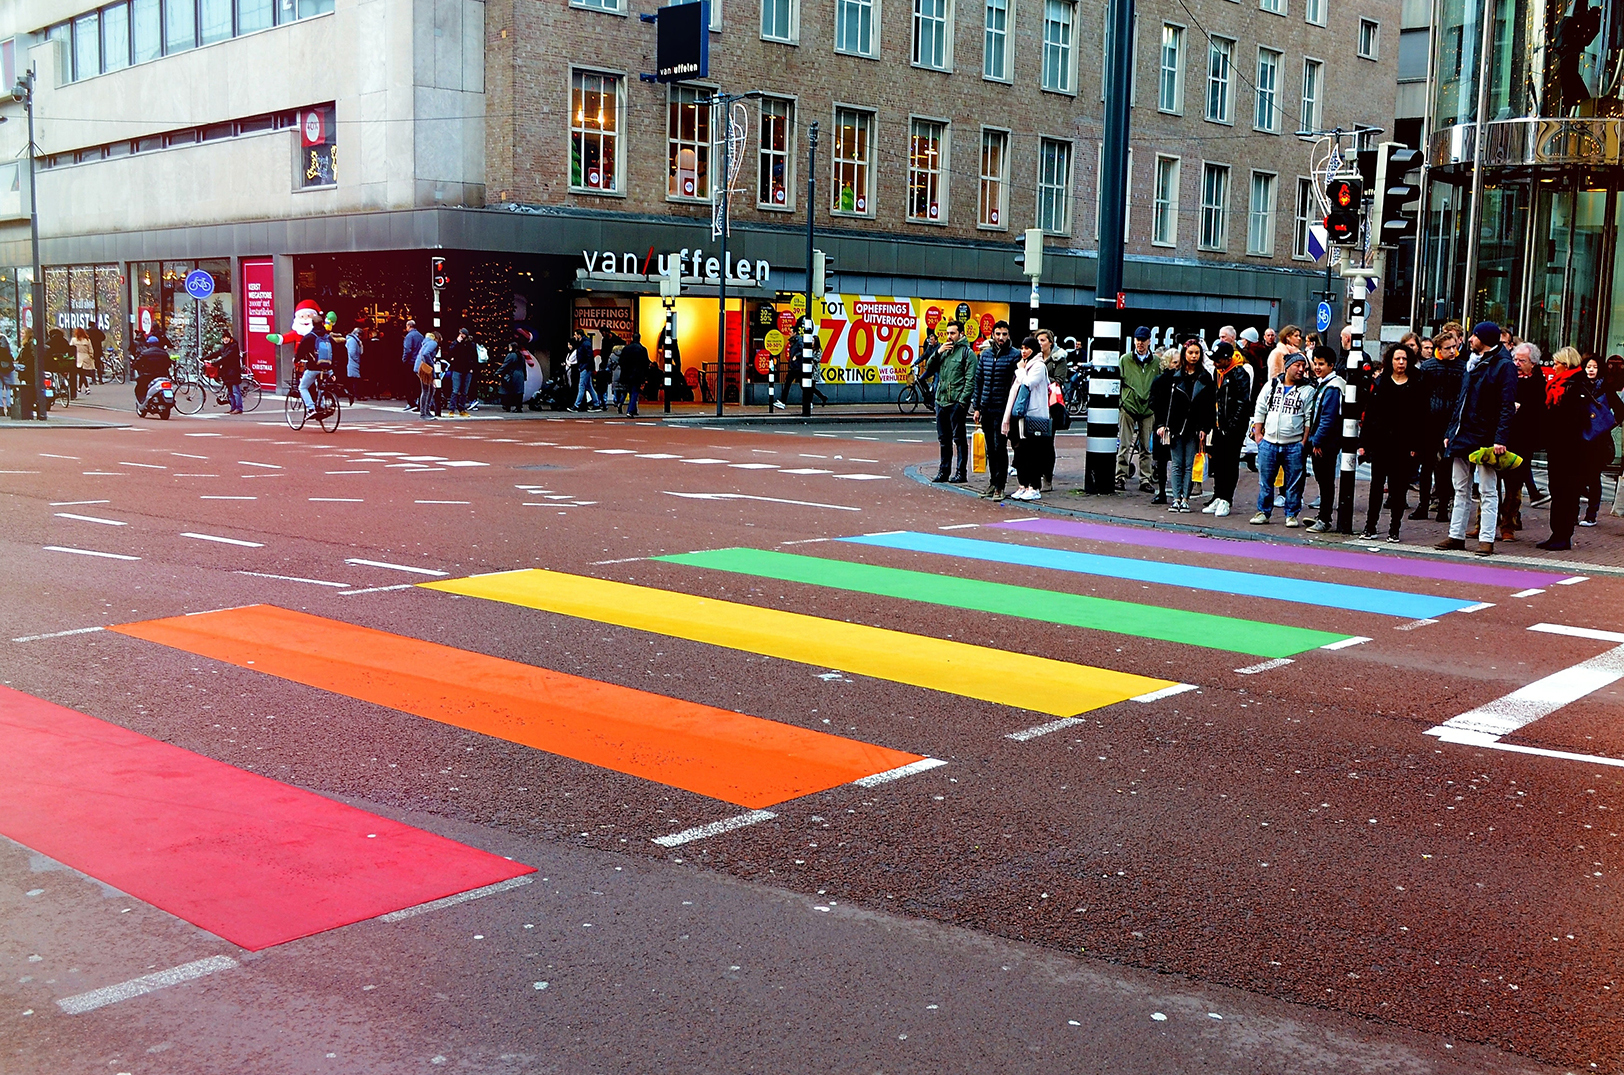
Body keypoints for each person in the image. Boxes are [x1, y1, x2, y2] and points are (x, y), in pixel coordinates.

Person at [1437, 321, 1517, 556]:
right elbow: (1461, 402)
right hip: (1464, 433)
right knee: (1460, 487)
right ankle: (1456, 535)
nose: (1470, 339)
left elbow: (1506, 405)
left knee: (1487, 489)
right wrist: (1450, 432)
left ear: (1485, 339)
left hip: (1485, 435)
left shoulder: (1503, 366)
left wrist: (1500, 438)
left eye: (1475, 336)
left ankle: (1486, 538)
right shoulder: (1473, 363)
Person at [1358, 343, 1427, 541]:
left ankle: (1394, 529)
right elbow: (1370, 414)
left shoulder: (1416, 383)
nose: (1401, 362)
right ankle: (1370, 526)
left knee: (1398, 489)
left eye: (1404, 359)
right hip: (1381, 443)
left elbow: (1421, 417)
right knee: (1376, 486)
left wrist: (1416, 446)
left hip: (1404, 444)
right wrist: (1364, 443)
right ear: (1391, 360)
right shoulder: (1381, 383)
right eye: (1397, 359)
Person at [1249, 351, 1316, 527]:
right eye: (1297, 366)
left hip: (1293, 443)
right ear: (1287, 367)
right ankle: (1263, 511)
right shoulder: (1272, 385)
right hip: (1269, 442)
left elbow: (1309, 417)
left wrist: (1303, 442)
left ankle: (1291, 514)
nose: (1301, 370)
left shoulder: (1308, 391)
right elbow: (1260, 408)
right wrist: (1258, 435)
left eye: (1304, 367)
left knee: (1293, 482)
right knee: (1266, 481)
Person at [1154, 339, 1216, 513]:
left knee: (1189, 463)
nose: (1194, 356)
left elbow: (1209, 406)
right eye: (1190, 353)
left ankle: (1186, 499)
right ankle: (1176, 498)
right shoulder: (1175, 377)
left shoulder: (1205, 377)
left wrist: (1205, 427)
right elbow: (1165, 404)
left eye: (1197, 353)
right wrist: (1162, 425)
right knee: (1176, 463)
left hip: (1194, 427)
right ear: (1184, 354)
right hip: (1175, 426)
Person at [1414, 328, 1466, 521]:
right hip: (1430, 421)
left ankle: (1443, 507)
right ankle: (1423, 505)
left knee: (1446, 467)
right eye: (1447, 348)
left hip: (1451, 422)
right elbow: (1421, 396)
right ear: (1439, 349)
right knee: (1427, 466)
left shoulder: (1462, 367)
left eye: (1454, 347)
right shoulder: (1428, 367)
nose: (1452, 351)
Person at [1497, 342, 1547, 541]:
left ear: (1533, 363)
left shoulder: (1538, 383)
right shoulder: (1506, 377)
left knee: (1513, 485)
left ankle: (1508, 524)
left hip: (1522, 439)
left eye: (1522, 360)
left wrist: (1521, 408)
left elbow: (1539, 413)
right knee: (1490, 483)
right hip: (1501, 437)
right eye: (1515, 359)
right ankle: (1482, 523)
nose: (1516, 363)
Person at [970, 320, 1019, 500]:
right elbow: (979, 380)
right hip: (986, 407)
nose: (1001, 338)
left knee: (1000, 447)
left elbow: (1017, 382)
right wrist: (977, 407)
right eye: (998, 334)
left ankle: (1000, 486)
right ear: (992, 335)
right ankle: (992, 482)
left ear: (1008, 335)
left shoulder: (1014, 356)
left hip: (1003, 409)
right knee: (990, 447)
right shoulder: (986, 355)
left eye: (1004, 334)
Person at [1204, 340, 1252, 518]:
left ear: (1227, 359)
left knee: (1230, 462)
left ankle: (1226, 499)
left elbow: (1243, 402)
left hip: (1232, 428)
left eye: (1218, 360)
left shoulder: (1239, 374)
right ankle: (1218, 495)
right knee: (1218, 461)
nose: (1215, 363)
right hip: (1218, 425)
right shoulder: (1218, 373)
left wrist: (1231, 425)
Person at [1001, 336, 1053, 501]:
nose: (1024, 351)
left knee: (1033, 453)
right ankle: (1023, 485)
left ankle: (1034, 487)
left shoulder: (1038, 366)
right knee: (1021, 452)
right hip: (1021, 416)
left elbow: (1028, 383)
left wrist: (1020, 370)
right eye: (1022, 348)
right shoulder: (1025, 365)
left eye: (1027, 348)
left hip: (1034, 416)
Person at [1578, 353, 1623, 526]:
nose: (1591, 370)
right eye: (1588, 366)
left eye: (1595, 367)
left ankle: (1591, 514)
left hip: (1598, 440)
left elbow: (1620, 409)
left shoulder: (1605, 388)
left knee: (1594, 476)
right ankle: (1574, 512)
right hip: (1581, 437)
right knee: (1578, 476)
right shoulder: (1579, 385)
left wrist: (1608, 424)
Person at [1303, 350, 1346, 532]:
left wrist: (1317, 442)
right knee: (1323, 481)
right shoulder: (1325, 384)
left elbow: (1328, 418)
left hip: (1326, 443)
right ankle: (1322, 515)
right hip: (1322, 441)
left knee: (1326, 481)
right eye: (1315, 363)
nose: (1317, 367)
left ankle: (1325, 519)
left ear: (1331, 365)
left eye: (1321, 364)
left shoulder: (1333, 387)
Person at [930, 320, 975, 484]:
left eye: (953, 333)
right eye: (947, 333)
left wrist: (962, 402)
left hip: (955, 402)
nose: (949, 336)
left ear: (961, 334)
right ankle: (944, 471)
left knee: (959, 439)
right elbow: (929, 367)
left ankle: (961, 473)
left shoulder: (967, 353)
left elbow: (970, 380)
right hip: (941, 401)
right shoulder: (944, 350)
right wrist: (937, 352)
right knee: (944, 439)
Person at [1116, 326, 1159, 491]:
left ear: (1149, 341)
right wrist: (1121, 401)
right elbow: (1119, 381)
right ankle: (1120, 477)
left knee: (1146, 447)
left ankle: (1145, 479)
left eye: (1143, 340)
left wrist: (1154, 404)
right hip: (1128, 406)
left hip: (1148, 409)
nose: (1140, 343)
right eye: (1138, 340)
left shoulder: (1155, 362)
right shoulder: (1125, 359)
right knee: (1124, 444)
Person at [1146, 348, 1181, 504]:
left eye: (1179, 363)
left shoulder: (1183, 380)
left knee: (1178, 460)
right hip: (1162, 425)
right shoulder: (1160, 381)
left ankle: (1178, 493)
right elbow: (1152, 401)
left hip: (1178, 425)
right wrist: (1160, 422)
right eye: (1175, 363)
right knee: (1162, 460)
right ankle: (1161, 491)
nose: (1178, 366)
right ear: (1167, 363)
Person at [295, 320, 336, 415]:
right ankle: (321, 406)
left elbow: (301, 351)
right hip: (327, 368)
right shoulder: (328, 337)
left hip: (313, 367)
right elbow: (336, 351)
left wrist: (296, 359)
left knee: (303, 387)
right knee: (321, 385)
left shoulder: (309, 337)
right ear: (322, 324)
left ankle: (311, 409)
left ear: (312, 324)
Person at [205, 329, 244, 413]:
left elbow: (226, 357)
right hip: (227, 373)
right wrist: (205, 358)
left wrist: (214, 363)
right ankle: (233, 407)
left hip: (233, 372)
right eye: (224, 338)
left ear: (230, 338)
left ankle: (239, 408)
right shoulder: (224, 347)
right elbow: (216, 353)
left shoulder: (233, 346)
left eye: (227, 337)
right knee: (230, 392)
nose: (225, 339)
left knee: (235, 391)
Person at [131, 335, 172, 408]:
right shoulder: (164, 353)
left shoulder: (145, 353)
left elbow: (137, 363)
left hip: (148, 376)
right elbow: (168, 364)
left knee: (140, 386)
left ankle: (142, 401)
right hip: (162, 375)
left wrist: (135, 366)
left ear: (149, 344)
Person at [445, 327, 478, 417]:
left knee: (463, 391)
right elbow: (451, 351)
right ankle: (452, 409)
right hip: (458, 369)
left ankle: (461, 409)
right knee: (456, 390)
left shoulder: (470, 345)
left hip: (465, 369)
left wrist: (472, 367)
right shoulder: (457, 343)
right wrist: (457, 342)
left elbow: (474, 357)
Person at [619, 331, 650, 417]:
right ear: (639, 339)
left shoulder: (626, 349)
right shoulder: (642, 349)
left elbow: (621, 361)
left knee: (629, 391)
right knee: (635, 392)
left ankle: (631, 408)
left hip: (627, 373)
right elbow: (645, 363)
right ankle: (630, 411)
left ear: (632, 338)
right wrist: (645, 376)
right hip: (637, 374)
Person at [571, 331, 603, 411]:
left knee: (581, 386)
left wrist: (584, 367)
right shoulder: (584, 343)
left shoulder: (585, 343)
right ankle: (596, 404)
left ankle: (576, 405)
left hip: (585, 367)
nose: (574, 336)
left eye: (575, 335)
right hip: (586, 367)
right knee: (589, 386)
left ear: (579, 335)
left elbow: (589, 357)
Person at [414, 331, 441, 419]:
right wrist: (431, 364)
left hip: (420, 367)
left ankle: (426, 411)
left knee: (430, 389)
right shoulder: (433, 343)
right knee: (426, 390)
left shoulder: (426, 342)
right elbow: (426, 354)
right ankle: (424, 413)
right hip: (424, 368)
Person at [400, 319, 425, 408]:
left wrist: (404, 360)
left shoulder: (409, 336)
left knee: (407, 383)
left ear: (409, 326)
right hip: (419, 361)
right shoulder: (421, 336)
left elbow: (407, 350)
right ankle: (417, 399)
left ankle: (411, 402)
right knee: (417, 383)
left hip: (410, 362)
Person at [500, 343, 527, 411]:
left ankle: (507, 406)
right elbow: (524, 367)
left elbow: (505, 365)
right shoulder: (521, 356)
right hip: (520, 374)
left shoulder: (511, 355)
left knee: (508, 390)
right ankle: (518, 407)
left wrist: (498, 372)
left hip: (512, 374)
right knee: (519, 392)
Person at [70, 328, 96, 394]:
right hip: (86, 358)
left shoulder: (73, 340)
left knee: (81, 374)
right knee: (82, 373)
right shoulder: (87, 340)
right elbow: (91, 350)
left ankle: (87, 388)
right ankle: (79, 388)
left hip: (77, 357)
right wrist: (91, 356)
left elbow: (70, 348)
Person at [344, 320, 365, 402]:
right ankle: (357, 395)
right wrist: (357, 359)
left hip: (353, 362)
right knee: (356, 379)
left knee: (354, 379)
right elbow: (352, 352)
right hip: (353, 363)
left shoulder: (352, 340)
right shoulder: (353, 341)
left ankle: (354, 394)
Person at [0, 335, 15, 414]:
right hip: (6, 367)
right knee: (10, 387)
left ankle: (0, 408)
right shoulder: (4, 341)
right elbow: (8, 355)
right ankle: (10, 407)